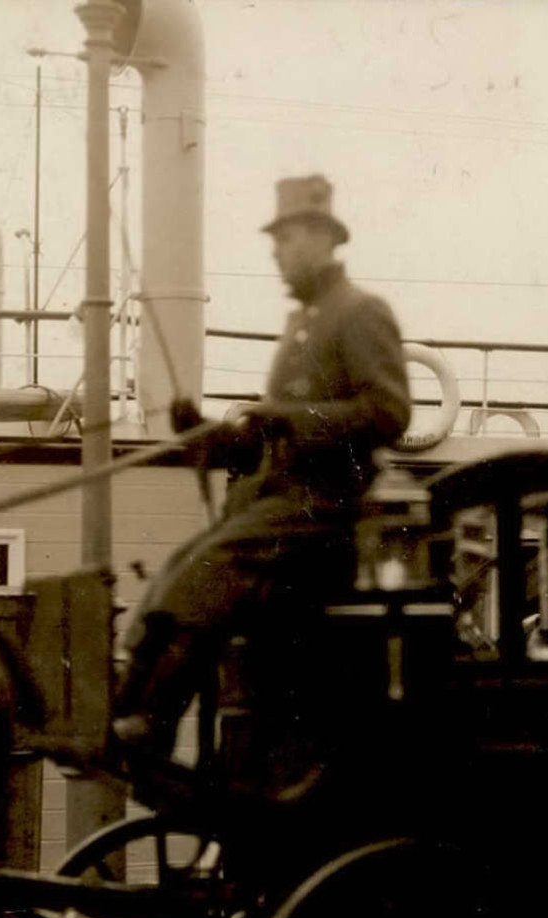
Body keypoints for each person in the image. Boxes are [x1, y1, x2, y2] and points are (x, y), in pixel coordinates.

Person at [111, 174, 412, 756]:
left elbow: (388, 410)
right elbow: (273, 437)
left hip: (328, 507)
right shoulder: (305, 322)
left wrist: (286, 417)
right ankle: (130, 705)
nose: (276, 252)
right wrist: (207, 437)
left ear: (324, 238)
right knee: (180, 568)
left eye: (287, 238)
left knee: (206, 567)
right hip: (283, 502)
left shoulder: (359, 312)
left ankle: (153, 721)